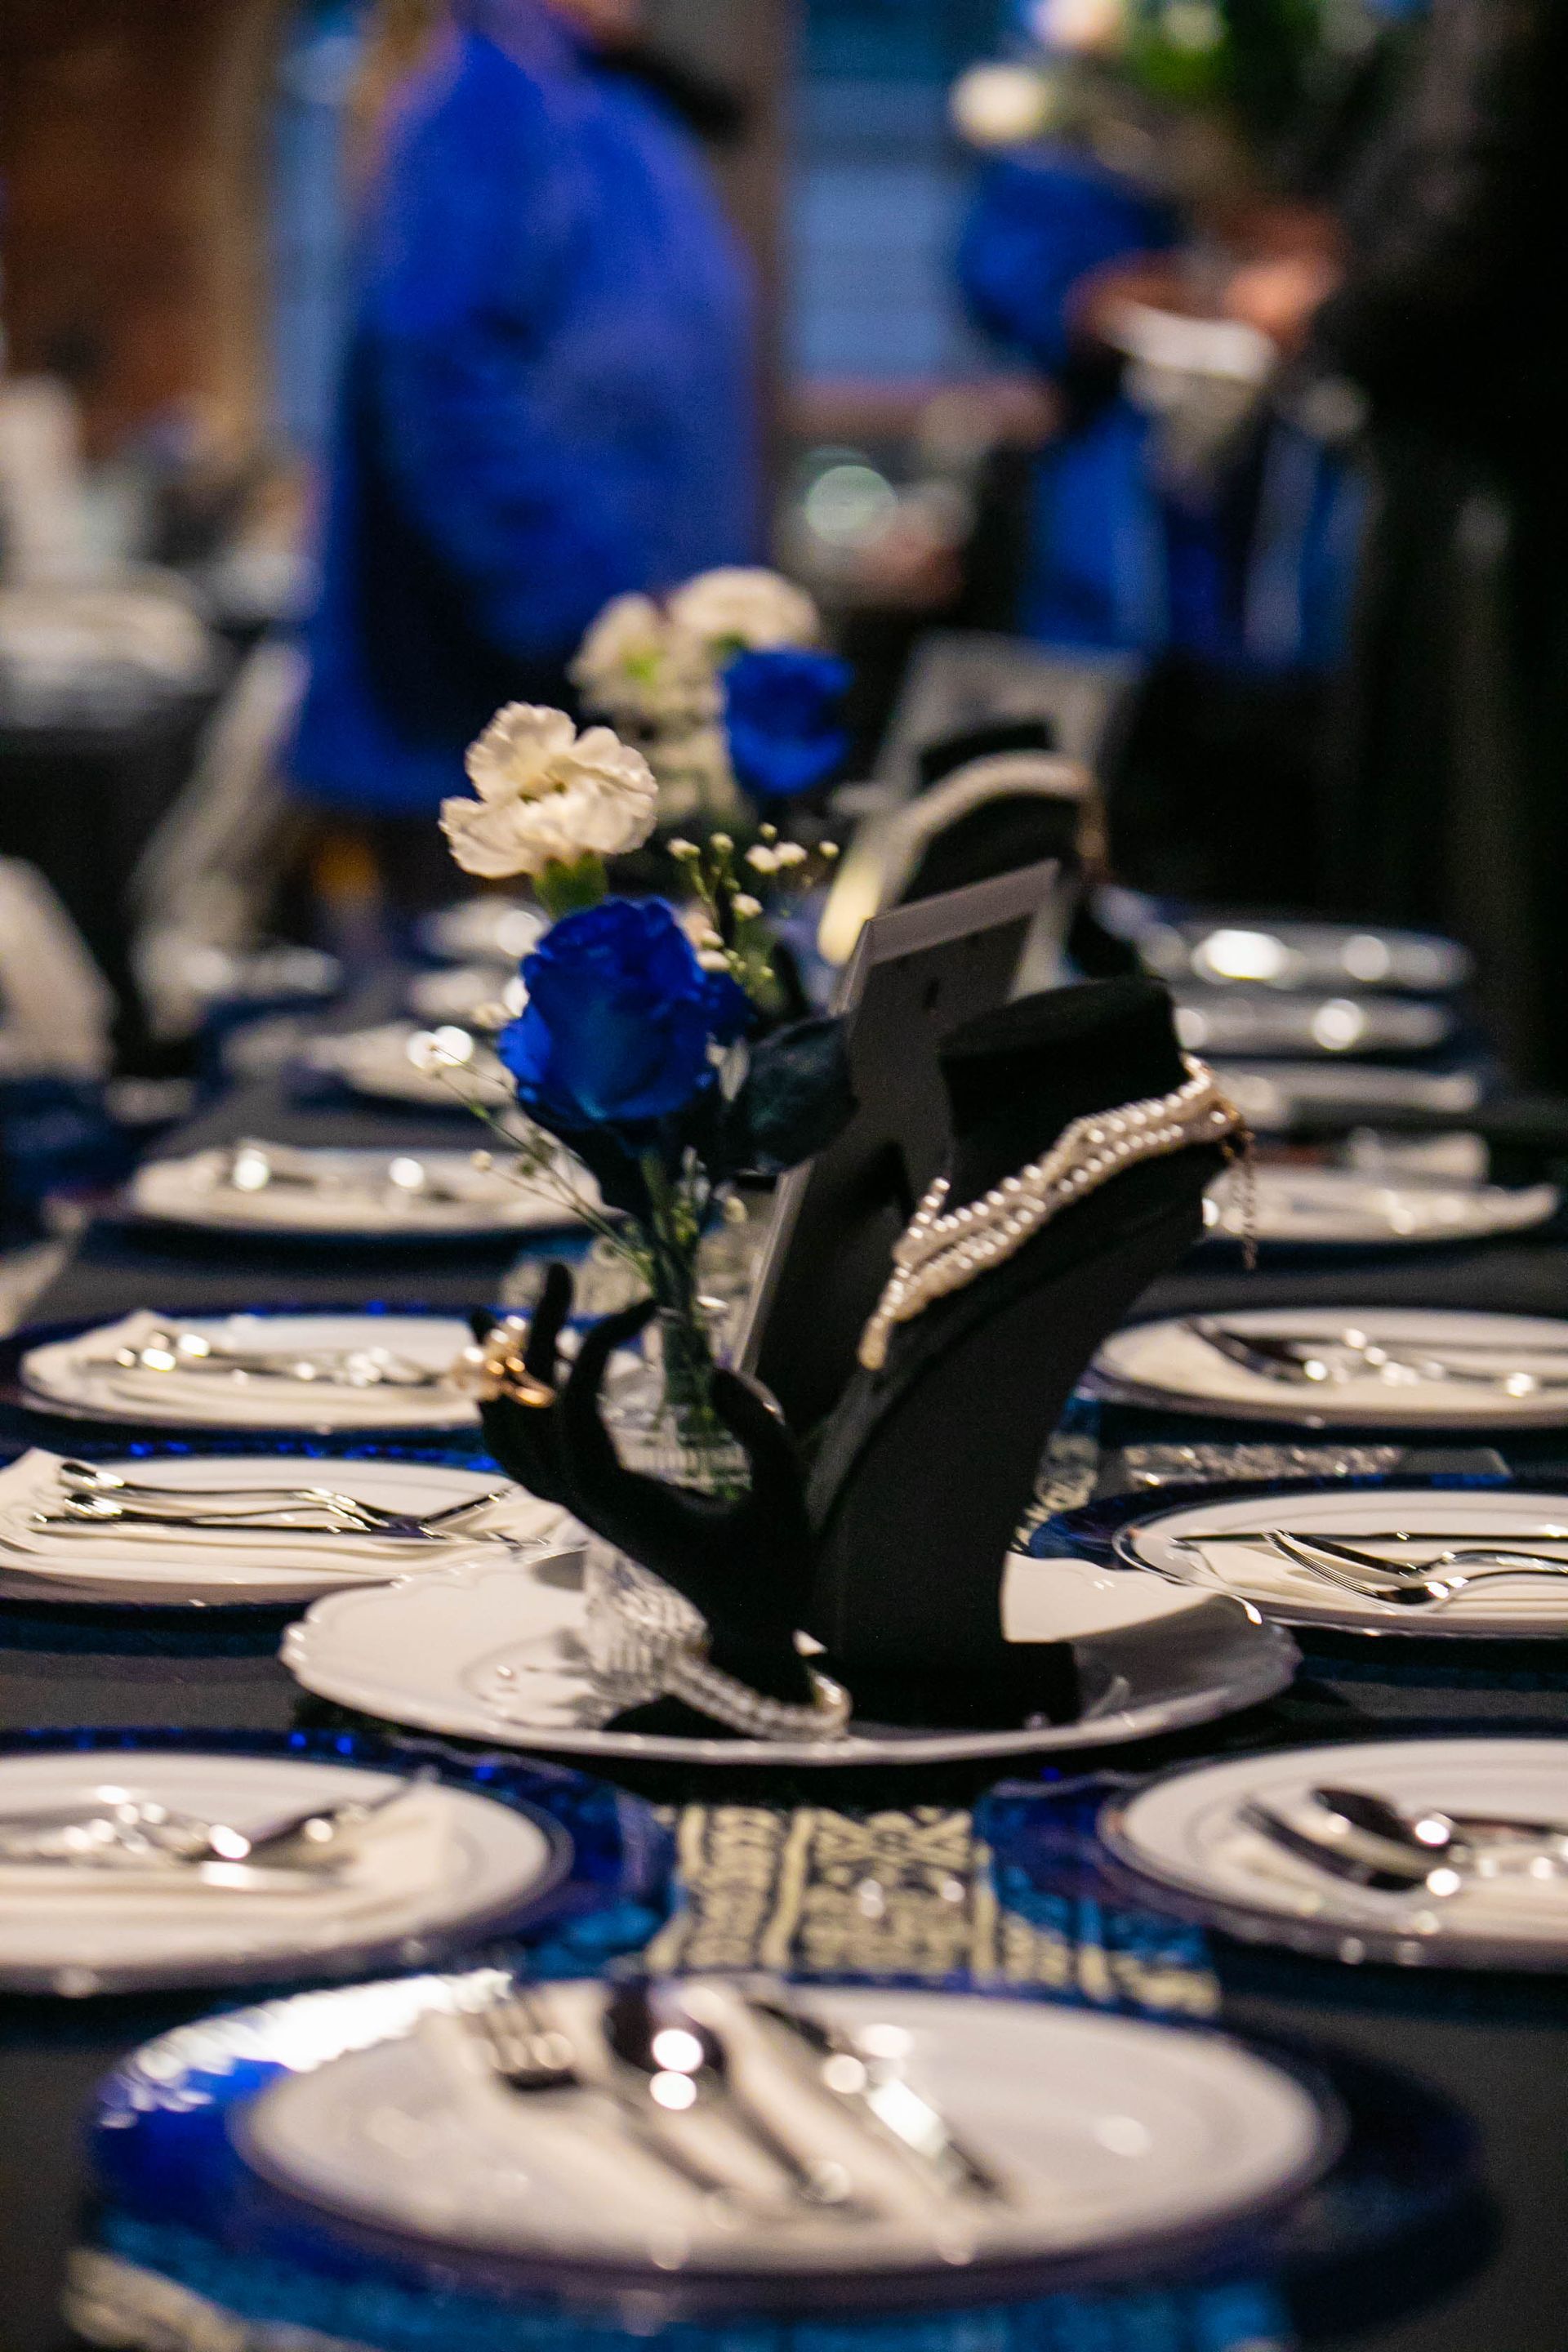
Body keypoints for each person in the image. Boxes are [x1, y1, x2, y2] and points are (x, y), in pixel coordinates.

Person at [290, 0, 757, 903]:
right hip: (499, 728)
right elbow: (434, 372)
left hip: (606, 694)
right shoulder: (489, 101)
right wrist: (593, 608)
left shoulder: (599, 97)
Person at [1223, 0, 1568, 1084]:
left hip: (1501, 486)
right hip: (1489, 469)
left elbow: (1466, 221)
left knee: (1490, 892)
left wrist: (1325, 315)